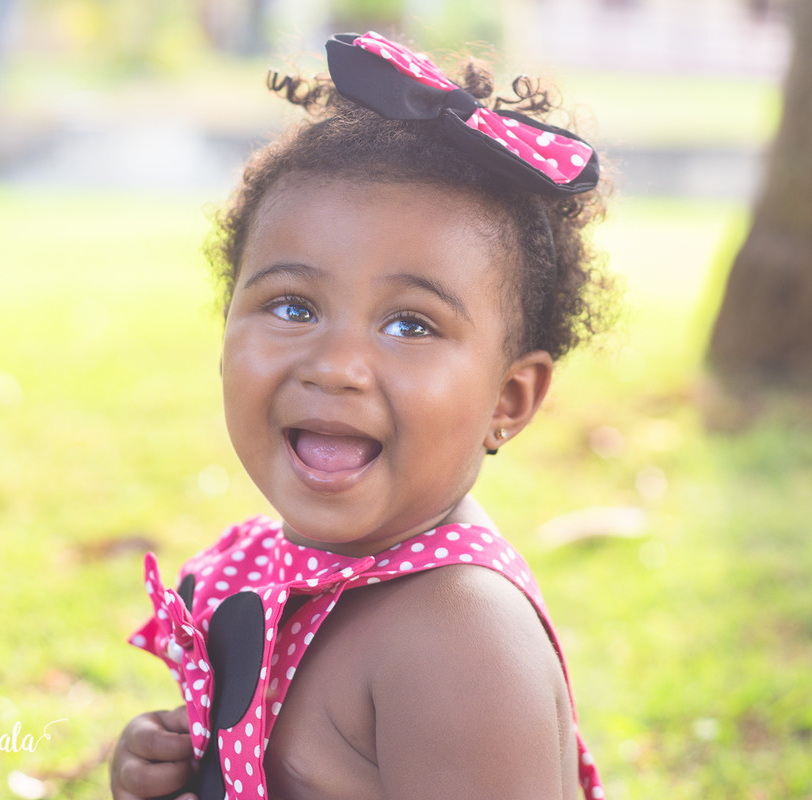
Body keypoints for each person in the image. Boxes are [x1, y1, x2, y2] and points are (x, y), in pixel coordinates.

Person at [110, 31, 611, 800]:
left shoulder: (457, 641)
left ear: (507, 400)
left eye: (410, 324)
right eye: (292, 306)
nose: (335, 365)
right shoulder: (278, 571)